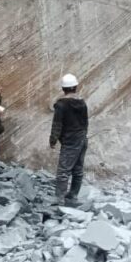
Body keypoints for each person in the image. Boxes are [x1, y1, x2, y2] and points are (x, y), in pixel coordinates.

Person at [49, 73, 88, 206]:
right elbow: (85, 123)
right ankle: (73, 195)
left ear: (63, 88)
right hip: (82, 139)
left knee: (63, 170)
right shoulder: (82, 102)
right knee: (78, 169)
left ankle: (59, 198)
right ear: (75, 87)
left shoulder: (61, 105)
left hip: (70, 141)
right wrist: (82, 137)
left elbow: (57, 124)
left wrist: (53, 140)